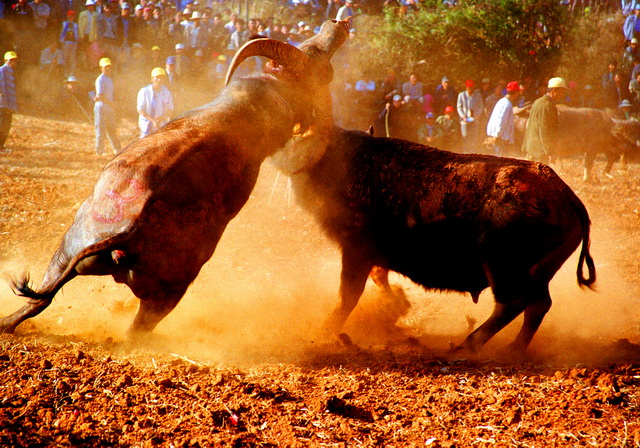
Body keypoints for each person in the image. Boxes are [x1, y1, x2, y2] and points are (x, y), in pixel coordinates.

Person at [521, 77, 567, 164]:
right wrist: (550, 152)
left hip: (532, 148)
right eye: (562, 91)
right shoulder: (547, 106)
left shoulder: (538, 102)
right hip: (540, 153)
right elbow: (545, 130)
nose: (562, 94)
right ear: (554, 90)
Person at [93, 57, 121, 155]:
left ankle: (117, 148)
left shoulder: (109, 79)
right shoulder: (100, 79)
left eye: (109, 67)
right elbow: (100, 96)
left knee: (112, 129)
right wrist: (112, 104)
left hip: (109, 108)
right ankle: (99, 151)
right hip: (101, 108)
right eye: (105, 67)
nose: (108, 69)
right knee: (100, 130)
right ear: (101, 68)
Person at [137, 67, 174, 138]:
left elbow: (171, 110)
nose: (159, 80)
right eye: (157, 77)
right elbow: (140, 110)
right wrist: (152, 120)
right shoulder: (144, 91)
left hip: (160, 126)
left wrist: (162, 117)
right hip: (146, 126)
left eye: (162, 77)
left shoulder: (167, 93)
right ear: (152, 79)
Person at [486, 81, 521, 157]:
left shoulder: (502, 101)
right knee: (501, 163)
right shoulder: (506, 104)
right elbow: (501, 121)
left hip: (499, 138)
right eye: (517, 92)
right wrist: (497, 135)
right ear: (515, 92)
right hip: (501, 139)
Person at [457, 79, 484, 153]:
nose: (470, 89)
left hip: (474, 119)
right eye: (468, 87)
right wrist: (463, 116)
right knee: (465, 137)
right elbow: (459, 107)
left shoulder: (478, 95)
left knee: (474, 138)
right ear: (466, 87)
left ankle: (473, 153)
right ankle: (465, 153)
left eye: (471, 87)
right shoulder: (461, 95)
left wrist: (478, 114)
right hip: (465, 120)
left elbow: (481, 106)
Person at [0, 51, 18, 153]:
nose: (13, 63)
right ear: (6, 60)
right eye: (11, 60)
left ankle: (1, 146)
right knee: (2, 125)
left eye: (15, 61)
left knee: (6, 126)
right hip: (2, 104)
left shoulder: (11, 73)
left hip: (8, 105)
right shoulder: (1, 70)